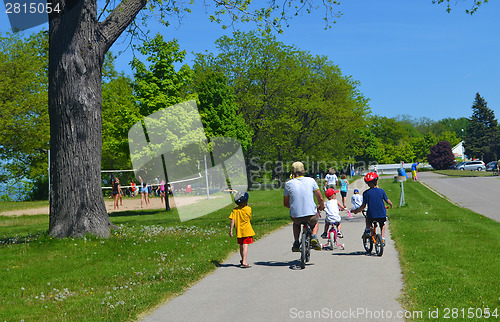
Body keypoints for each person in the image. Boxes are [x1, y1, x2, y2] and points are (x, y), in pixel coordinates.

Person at [283, 161, 325, 252]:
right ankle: (314, 236)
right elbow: (320, 198)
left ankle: (296, 242)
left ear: (292, 172)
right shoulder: (311, 180)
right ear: (304, 171)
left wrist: (294, 207)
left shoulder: (288, 184)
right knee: (315, 222)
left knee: (296, 223)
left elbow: (285, 203)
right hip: (310, 214)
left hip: (296, 215)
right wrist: (322, 206)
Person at [353, 172, 393, 245]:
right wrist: (390, 204)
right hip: (382, 214)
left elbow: (363, 206)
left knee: (368, 219)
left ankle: (368, 230)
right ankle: (383, 238)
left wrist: (356, 211)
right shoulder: (381, 191)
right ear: (376, 181)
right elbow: (387, 201)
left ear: (368, 183)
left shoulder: (366, 193)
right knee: (382, 224)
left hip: (371, 215)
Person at [229, 191, 254, 268]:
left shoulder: (235, 210)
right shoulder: (248, 209)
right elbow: (249, 217)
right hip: (247, 230)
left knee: (241, 245)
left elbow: (232, 220)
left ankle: (242, 259)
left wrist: (231, 230)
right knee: (245, 245)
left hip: (239, 231)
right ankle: (244, 261)